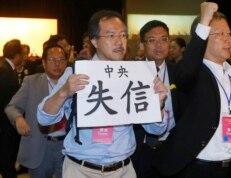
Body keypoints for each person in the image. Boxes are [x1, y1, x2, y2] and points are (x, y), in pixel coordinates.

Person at [37, 10, 168, 178]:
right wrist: (64, 92)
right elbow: (44, 118)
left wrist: (159, 103)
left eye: (123, 35)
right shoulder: (76, 73)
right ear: (94, 41)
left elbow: (155, 129)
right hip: (81, 170)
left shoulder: (137, 74)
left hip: (124, 169)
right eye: (111, 35)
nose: (119, 42)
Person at [153, 2, 231, 178]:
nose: (228, 39)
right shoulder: (193, 73)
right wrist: (204, 21)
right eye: (220, 34)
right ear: (204, 37)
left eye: (229, 33)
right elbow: (185, 74)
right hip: (197, 167)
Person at [5, 44, 68, 178]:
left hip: (66, 146)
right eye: (52, 59)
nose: (57, 63)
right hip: (39, 146)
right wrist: (18, 118)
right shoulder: (31, 82)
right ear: (44, 63)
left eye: (61, 59)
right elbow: (11, 107)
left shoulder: (72, 84)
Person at [131, 20, 179, 178]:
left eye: (164, 39)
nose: (159, 45)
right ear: (142, 45)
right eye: (152, 40)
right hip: (140, 148)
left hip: (170, 148)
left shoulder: (179, 73)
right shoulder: (131, 72)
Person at [0, 39, 23, 178]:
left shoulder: (6, 68)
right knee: (6, 154)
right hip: (4, 122)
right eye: (22, 54)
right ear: (17, 55)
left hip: (7, 121)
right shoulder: (3, 70)